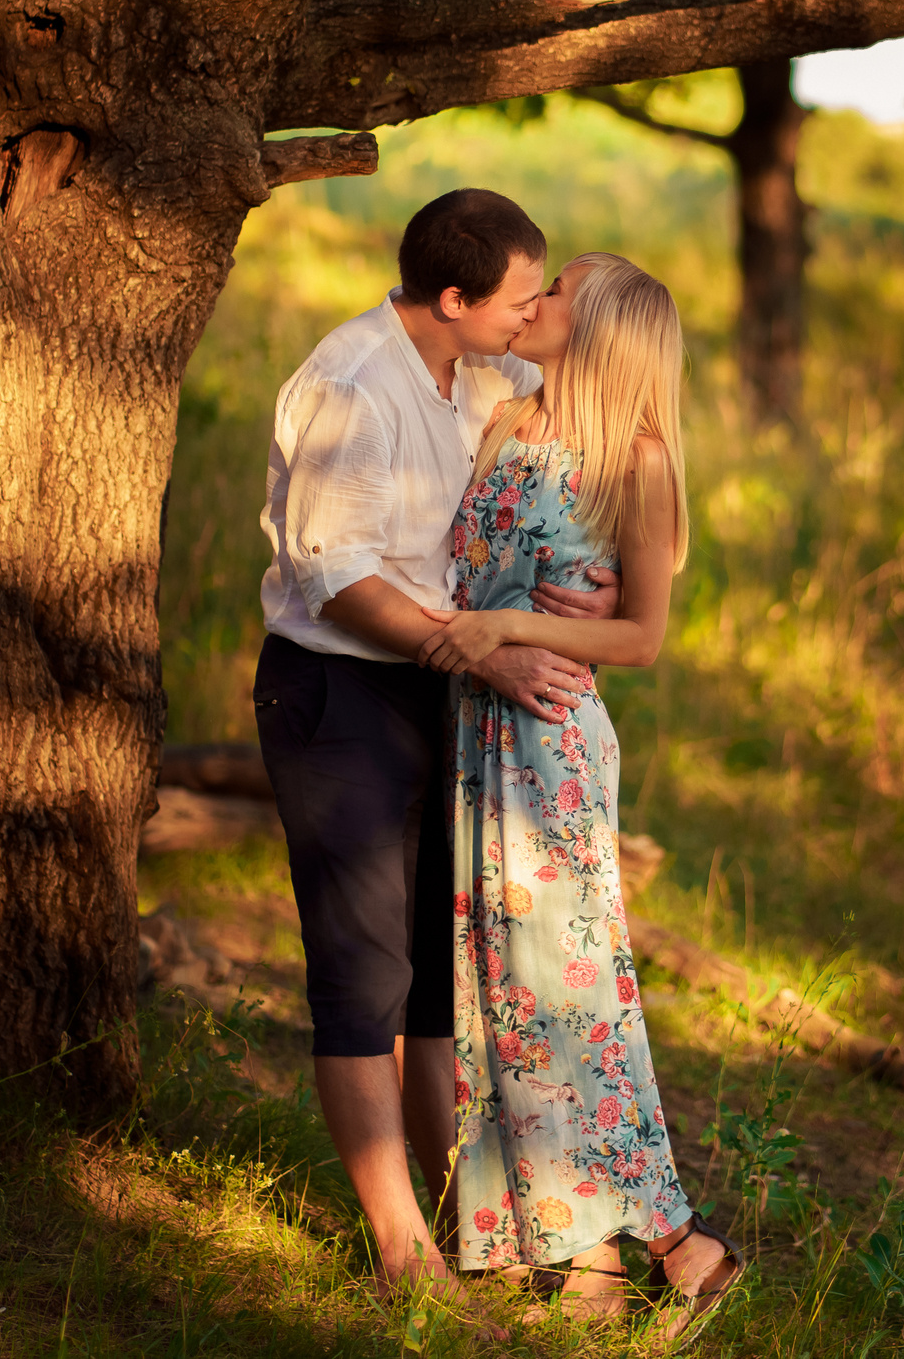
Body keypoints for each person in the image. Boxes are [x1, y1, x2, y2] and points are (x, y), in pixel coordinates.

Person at [253, 190, 619, 1307]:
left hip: (444, 692)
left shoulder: (489, 376)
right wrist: (488, 654)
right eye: (519, 300)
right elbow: (340, 579)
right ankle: (401, 1254)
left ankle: (465, 1216)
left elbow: (563, 458)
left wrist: (583, 577)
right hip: (342, 695)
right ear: (453, 299)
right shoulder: (351, 389)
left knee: (438, 981)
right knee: (364, 976)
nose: (531, 317)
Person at [415, 252, 744, 1342]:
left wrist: (517, 626)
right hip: (472, 732)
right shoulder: (506, 422)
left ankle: (671, 1237)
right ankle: (578, 1249)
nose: (534, 300)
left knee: (568, 990)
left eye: (555, 293)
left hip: (548, 740)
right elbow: (461, 572)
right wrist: (489, 622)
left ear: (596, 333)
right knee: (497, 988)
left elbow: (638, 637)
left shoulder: (634, 462)